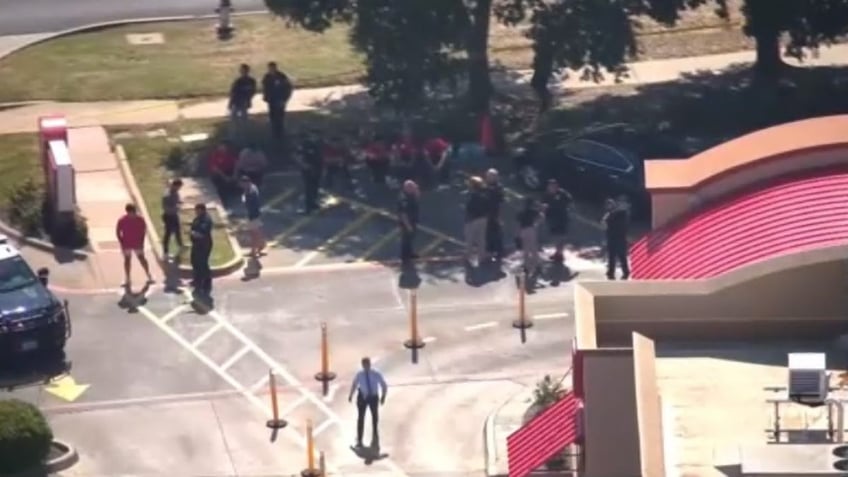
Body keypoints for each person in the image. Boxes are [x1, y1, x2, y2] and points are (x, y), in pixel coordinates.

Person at [347, 356, 388, 449]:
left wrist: (383, 397)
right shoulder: (359, 374)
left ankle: (375, 435)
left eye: (367, 364)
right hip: (363, 397)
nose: (366, 366)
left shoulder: (376, 374)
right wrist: (351, 395)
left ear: (370, 364)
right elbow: (354, 384)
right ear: (362, 365)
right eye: (364, 365)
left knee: (374, 417)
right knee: (361, 417)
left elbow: (383, 385)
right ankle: (359, 439)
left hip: (373, 397)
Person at [115, 203, 153, 286]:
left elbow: (143, 231)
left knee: (142, 259)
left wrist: (142, 241)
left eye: (134, 212)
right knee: (127, 260)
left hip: (137, 243)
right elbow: (118, 232)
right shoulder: (122, 220)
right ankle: (127, 279)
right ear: (128, 212)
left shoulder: (140, 219)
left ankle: (149, 276)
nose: (133, 214)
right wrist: (122, 241)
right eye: (131, 212)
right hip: (127, 244)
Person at [541, 179, 573, 264]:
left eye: (553, 186)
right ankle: (557, 252)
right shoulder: (546, 195)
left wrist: (566, 209)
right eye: (550, 186)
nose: (551, 188)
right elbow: (544, 205)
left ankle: (560, 254)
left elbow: (569, 201)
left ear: (557, 186)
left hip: (562, 218)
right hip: (552, 219)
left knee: (561, 237)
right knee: (555, 236)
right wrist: (543, 214)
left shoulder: (562, 193)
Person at [262, 62, 293, 141]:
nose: (271, 70)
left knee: (280, 117)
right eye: (270, 69)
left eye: (272, 68)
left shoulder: (281, 76)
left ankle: (281, 133)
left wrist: (285, 99)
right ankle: (274, 133)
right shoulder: (267, 77)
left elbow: (288, 87)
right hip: (271, 101)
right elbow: (265, 88)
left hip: (280, 100)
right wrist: (266, 97)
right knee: (272, 117)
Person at [603, 197, 631, 280]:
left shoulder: (622, 214)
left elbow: (607, 222)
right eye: (607, 205)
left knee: (621, 256)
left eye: (610, 204)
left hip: (620, 238)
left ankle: (625, 272)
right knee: (612, 256)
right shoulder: (611, 214)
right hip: (612, 237)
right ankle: (611, 272)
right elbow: (604, 223)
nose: (609, 206)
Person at [189, 203, 214, 297]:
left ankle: (207, 283)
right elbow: (193, 227)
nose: (196, 212)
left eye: (197, 210)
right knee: (194, 261)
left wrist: (195, 233)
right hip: (196, 244)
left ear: (202, 210)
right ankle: (197, 280)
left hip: (204, 245)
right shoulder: (198, 218)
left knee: (203, 263)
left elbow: (203, 231)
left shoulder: (206, 219)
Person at [297, 129, 324, 214]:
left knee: (315, 186)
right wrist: (303, 164)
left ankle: (313, 203)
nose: (315, 137)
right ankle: (308, 207)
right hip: (308, 168)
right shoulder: (306, 144)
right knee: (309, 187)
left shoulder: (320, 143)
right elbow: (299, 155)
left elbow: (321, 155)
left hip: (318, 167)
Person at [464, 176, 489, 265]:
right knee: (481, 239)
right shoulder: (484, 195)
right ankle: (482, 258)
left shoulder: (471, 196)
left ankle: (468, 258)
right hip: (483, 219)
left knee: (469, 240)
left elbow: (469, 208)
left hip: (472, 220)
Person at [516, 197, 543, 277]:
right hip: (531, 230)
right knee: (534, 249)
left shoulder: (520, 213)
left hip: (523, 231)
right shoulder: (533, 212)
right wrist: (536, 224)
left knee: (525, 249)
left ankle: (526, 267)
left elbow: (518, 225)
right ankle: (537, 265)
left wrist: (517, 235)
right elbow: (541, 217)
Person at [240, 176, 266, 257]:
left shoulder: (251, 192)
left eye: (243, 184)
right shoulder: (252, 187)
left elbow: (249, 203)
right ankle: (261, 246)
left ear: (246, 183)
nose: (242, 186)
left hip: (252, 214)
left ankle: (254, 251)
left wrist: (244, 201)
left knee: (253, 233)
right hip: (255, 214)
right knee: (256, 232)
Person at [228, 64, 257, 131]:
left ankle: (242, 134)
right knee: (235, 119)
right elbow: (233, 92)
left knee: (242, 119)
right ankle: (235, 135)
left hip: (242, 101)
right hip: (237, 102)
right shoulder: (239, 81)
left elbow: (251, 92)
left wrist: (247, 99)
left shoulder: (249, 81)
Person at [484, 168, 505, 260]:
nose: (487, 178)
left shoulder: (498, 188)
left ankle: (499, 251)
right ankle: (490, 251)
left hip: (494, 213)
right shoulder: (486, 186)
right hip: (486, 213)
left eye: (490, 176)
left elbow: (500, 202)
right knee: (487, 233)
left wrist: (499, 216)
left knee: (495, 233)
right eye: (487, 176)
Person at [397, 180, 420, 264]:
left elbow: (417, 197)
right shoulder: (404, 198)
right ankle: (404, 257)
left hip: (413, 221)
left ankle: (410, 253)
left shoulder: (411, 195)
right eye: (412, 187)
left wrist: (416, 190)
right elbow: (403, 213)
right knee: (406, 239)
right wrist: (408, 225)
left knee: (410, 238)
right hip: (406, 222)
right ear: (407, 188)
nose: (415, 189)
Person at [161, 179, 184, 259]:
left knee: (178, 231)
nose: (179, 189)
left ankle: (181, 246)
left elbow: (177, 200)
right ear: (175, 186)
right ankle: (165, 252)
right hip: (169, 216)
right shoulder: (167, 195)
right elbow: (166, 208)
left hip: (174, 215)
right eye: (179, 187)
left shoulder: (175, 192)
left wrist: (179, 202)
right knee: (168, 234)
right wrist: (176, 208)